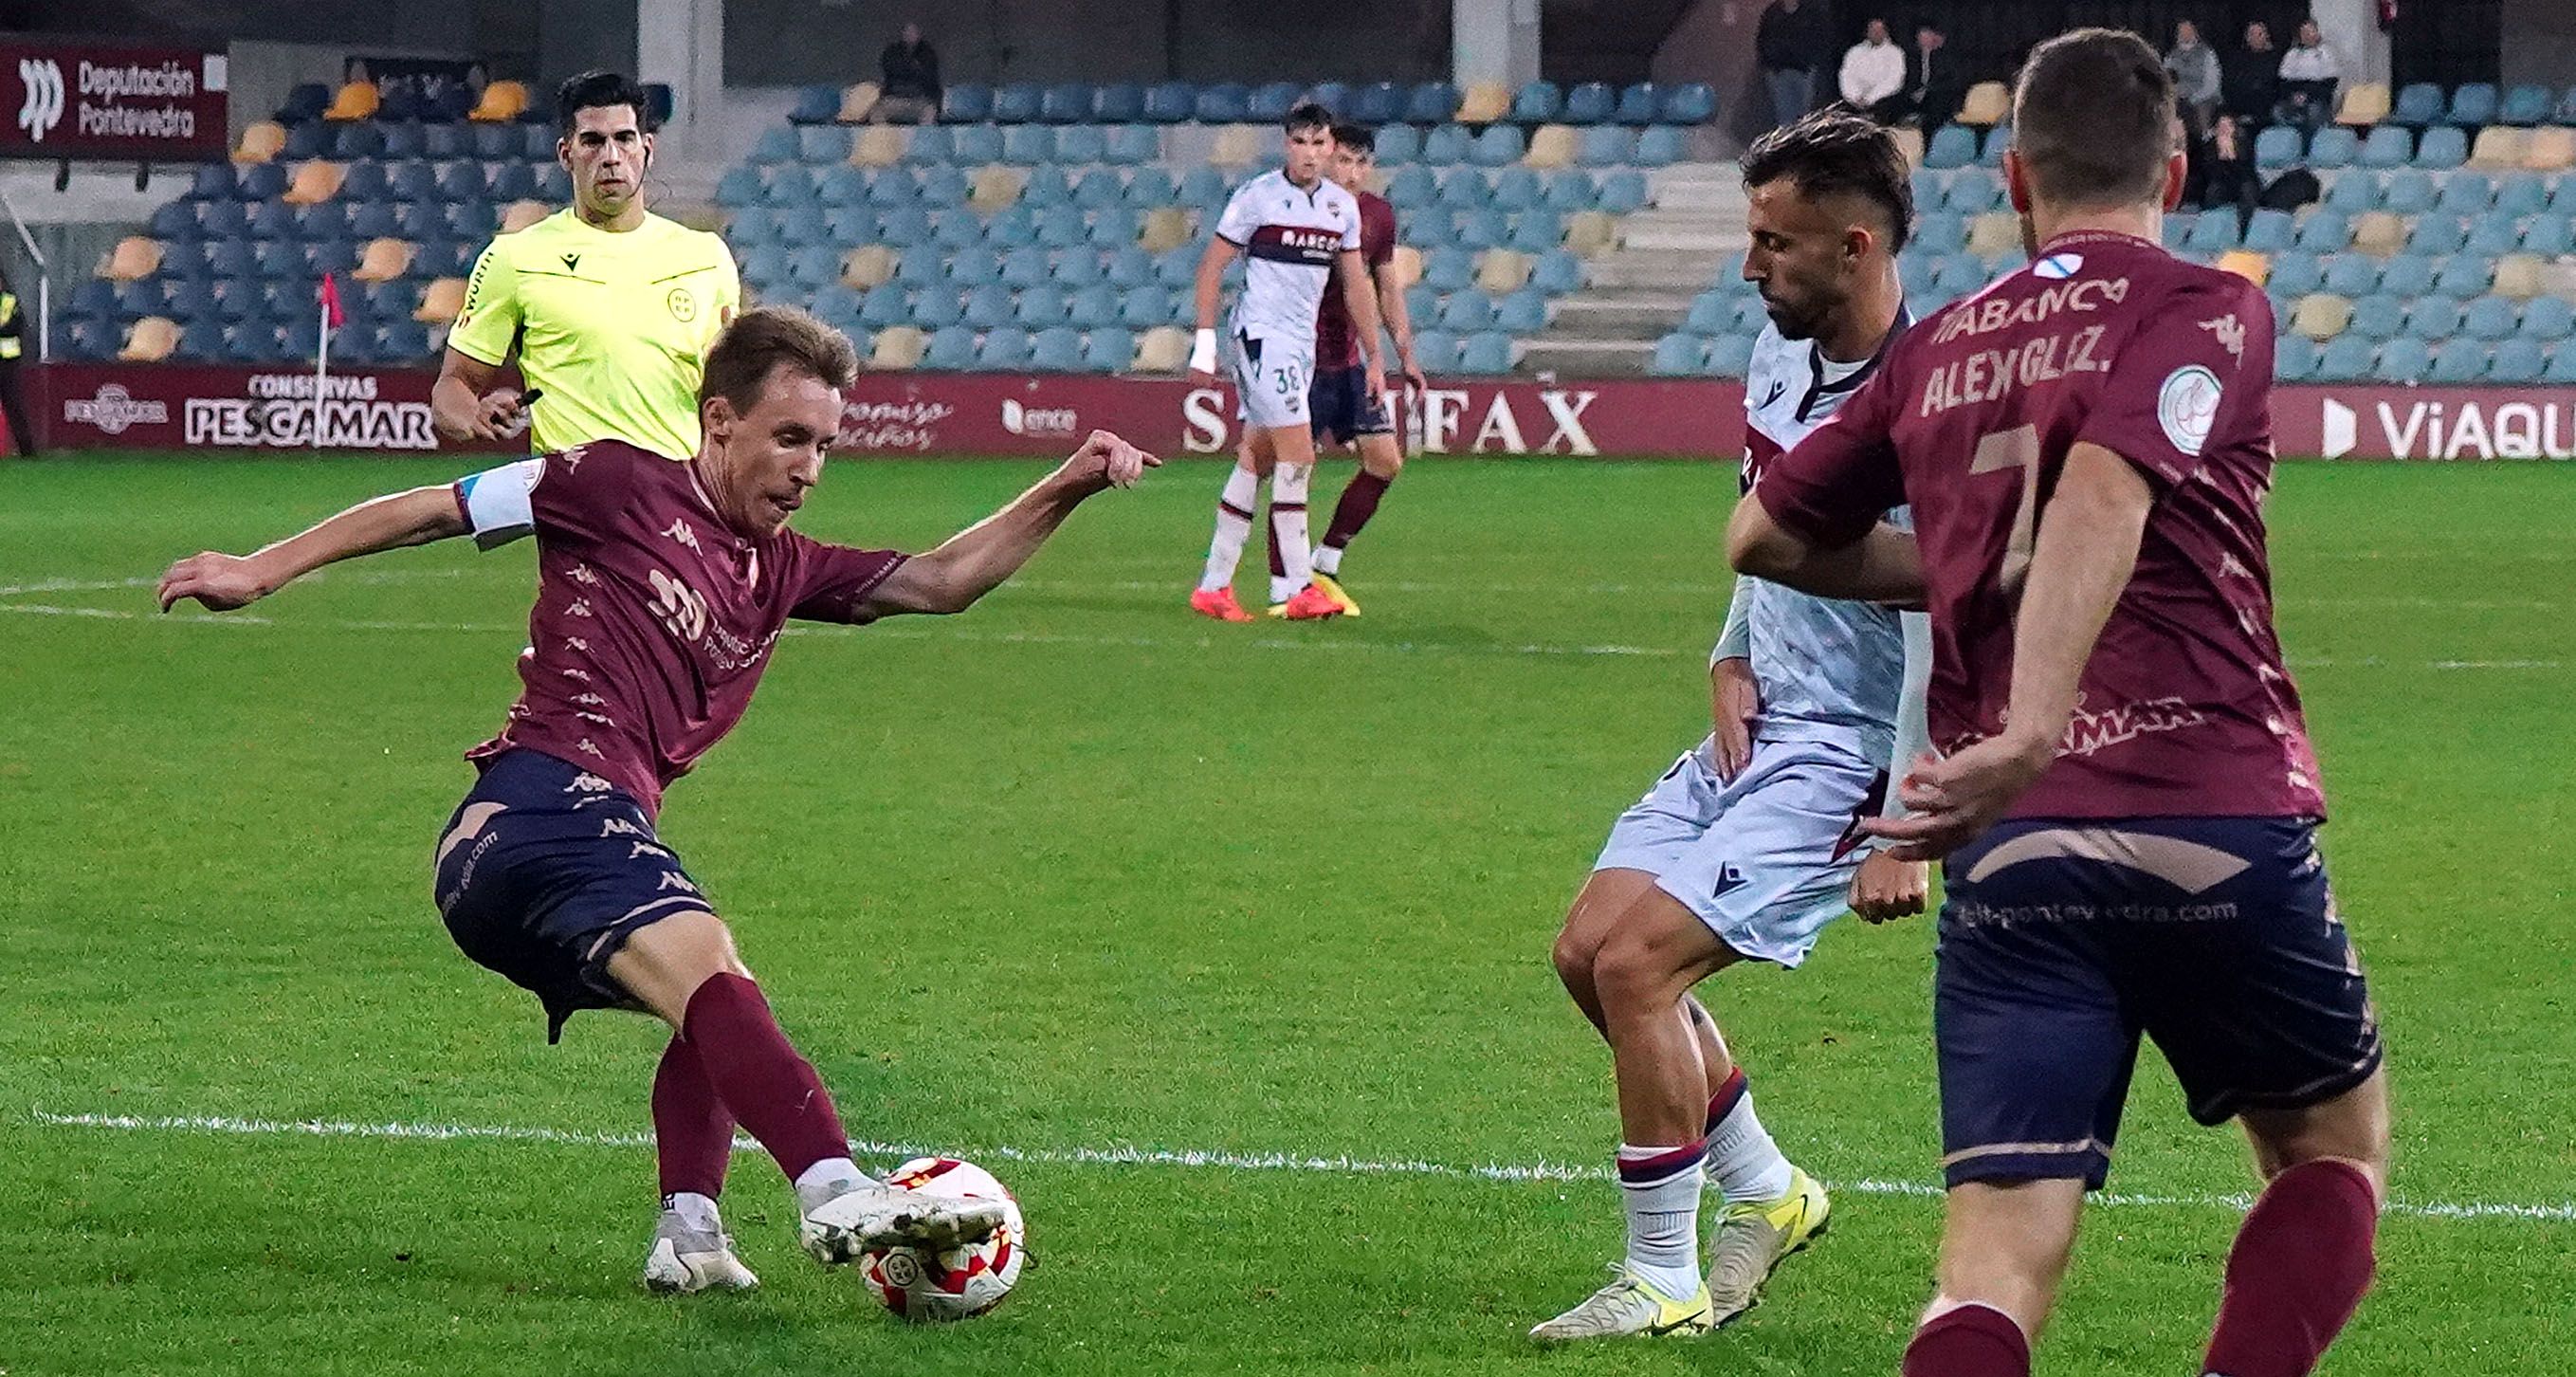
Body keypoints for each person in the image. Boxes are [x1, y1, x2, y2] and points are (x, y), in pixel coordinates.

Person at [158, 306, 1159, 1294]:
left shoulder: (783, 568)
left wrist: (1066, 482)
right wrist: (262, 568)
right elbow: (437, 506)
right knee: (712, 971)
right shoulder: (612, 481)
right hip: (541, 807)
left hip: (550, 848)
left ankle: (690, 1229)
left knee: (717, 1006)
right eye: (789, 438)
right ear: (718, 421)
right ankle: (832, 1186)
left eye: (826, 445)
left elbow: (942, 580)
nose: (810, 467)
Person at [1726, 29, 2386, 1377]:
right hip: (2212, 811)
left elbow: (1762, 538)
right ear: (2180, 170)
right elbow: (2103, 488)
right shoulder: (2209, 306)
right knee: (2329, 1154)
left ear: (2013, 178)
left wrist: (1971, 591)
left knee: (1989, 1272)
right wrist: (2036, 719)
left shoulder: (1942, 347)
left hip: (2014, 854)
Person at [1531, 110, 1932, 1343]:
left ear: (1855, 247)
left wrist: (1906, 827)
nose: (1749, 265)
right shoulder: (1780, 359)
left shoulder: (1928, 406)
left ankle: (1659, 1278)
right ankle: (1772, 1193)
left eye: (1774, 242)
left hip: (1854, 755)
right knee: (1585, 953)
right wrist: (1727, 650)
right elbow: (1766, 534)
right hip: (1761, 721)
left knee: (1641, 964)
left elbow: (1941, 615)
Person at [435, 70, 740, 463]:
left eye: (624, 139)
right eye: (593, 141)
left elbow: (729, 394)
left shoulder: (706, 257)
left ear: (647, 148)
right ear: (567, 154)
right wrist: (473, 414)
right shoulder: (515, 259)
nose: (611, 157)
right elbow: (452, 385)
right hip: (572, 504)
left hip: (678, 503)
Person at [1186, 100, 1388, 623]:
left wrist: (1374, 356)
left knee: (1257, 458)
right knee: (1300, 456)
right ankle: (1297, 588)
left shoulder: (1341, 209)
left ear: (1329, 148)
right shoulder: (1258, 197)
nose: (1310, 154)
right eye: (1300, 143)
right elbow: (1211, 268)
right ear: (1287, 145)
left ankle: (1214, 587)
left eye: (1320, 144)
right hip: (1260, 339)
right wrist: (1205, 345)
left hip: (1301, 349)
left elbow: (1356, 285)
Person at [1298, 122, 1424, 616]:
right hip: (1301, 360)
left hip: (1349, 361)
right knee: (1292, 471)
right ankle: (1288, 583)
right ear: (1327, 159)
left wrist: (1404, 355)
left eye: (1361, 163)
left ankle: (1324, 563)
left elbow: (1387, 289)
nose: (1352, 173)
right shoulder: (1300, 208)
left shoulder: (1377, 215)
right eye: (1344, 161)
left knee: (1384, 462)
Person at [1756, 0, 1834, 130]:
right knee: (1784, 118)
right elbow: (1763, 38)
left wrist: (1813, 63)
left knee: (1805, 117)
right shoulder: (1772, 13)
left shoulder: (1811, 12)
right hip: (1778, 72)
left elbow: (1822, 38)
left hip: (1804, 72)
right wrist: (1768, 64)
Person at [2277, 19, 2342, 132]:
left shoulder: (2326, 53)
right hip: (2294, 97)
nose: (2308, 36)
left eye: (2310, 32)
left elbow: (2330, 83)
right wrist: (2295, 95)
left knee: (2313, 112)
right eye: (2304, 33)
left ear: (2317, 33)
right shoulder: (2292, 54)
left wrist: (2307, 96)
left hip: (2317, 99)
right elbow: (2284, 80)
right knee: (2277, 112)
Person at [1839, 19, 1906, 122]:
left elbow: (1894, 81)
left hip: (1882, 101)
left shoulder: (1895, 53)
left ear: (1886, 32)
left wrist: (1870, 99)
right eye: (1873, 30)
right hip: (1854, 101)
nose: (1876, 33)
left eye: (1879, 30)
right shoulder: (1855, 52)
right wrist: (1854, 96)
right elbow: (1847, 76)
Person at [2166, 19, 2221, 140]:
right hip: (2179, 96)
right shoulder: (2171, 56)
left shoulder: (2207, 53)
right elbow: (2166, 79)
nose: (2185, 33)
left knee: (2202, 109)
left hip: (2203, 97)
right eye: (2182, 31)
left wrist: (2194, 98)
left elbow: (2212, 83)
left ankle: (2205, 139)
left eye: (2188, 30)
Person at [877, 22, 941, 123]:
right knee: (877, 113)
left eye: (914, 32)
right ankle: (885, 139)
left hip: (919, 100)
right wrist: (913, 67)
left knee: (930, 112)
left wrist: (909, 69)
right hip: (895, 99)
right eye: (908, 31)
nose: (911, 35)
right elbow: (891, 71)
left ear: (919, 34)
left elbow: (929, 77)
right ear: (903, 34)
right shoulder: (892, 52)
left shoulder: (928, 53)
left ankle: (923, 139)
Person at [2220, 19, 2280, 124]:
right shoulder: (2237, 58)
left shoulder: (2275, 58)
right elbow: (2228, 82)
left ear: (2266, 36)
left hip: (2263, 109)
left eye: (2259, 34)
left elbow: (2274, 85)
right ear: (2247, 37)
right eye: (2252, 34)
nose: (2255, 38)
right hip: (2237, 106)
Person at [0, 266, 32, 456]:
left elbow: (14, 327)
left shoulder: (10, 302)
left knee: (13, 406)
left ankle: (26, 449)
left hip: (7, 362)